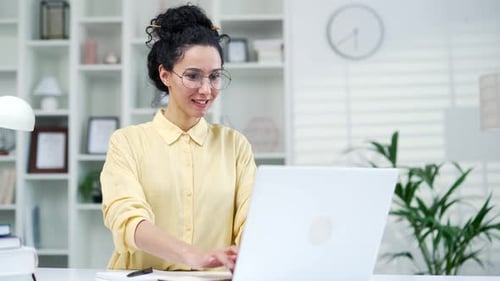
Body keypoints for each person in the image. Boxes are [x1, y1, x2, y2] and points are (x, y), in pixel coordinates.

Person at [100, 4, 256, 272]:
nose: (206, 89)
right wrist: (191, 255)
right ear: (165, 75)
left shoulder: (235, 146)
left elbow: (251, 221)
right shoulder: (127, 143)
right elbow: (127, 218)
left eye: (215, 76)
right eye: (193, 76)